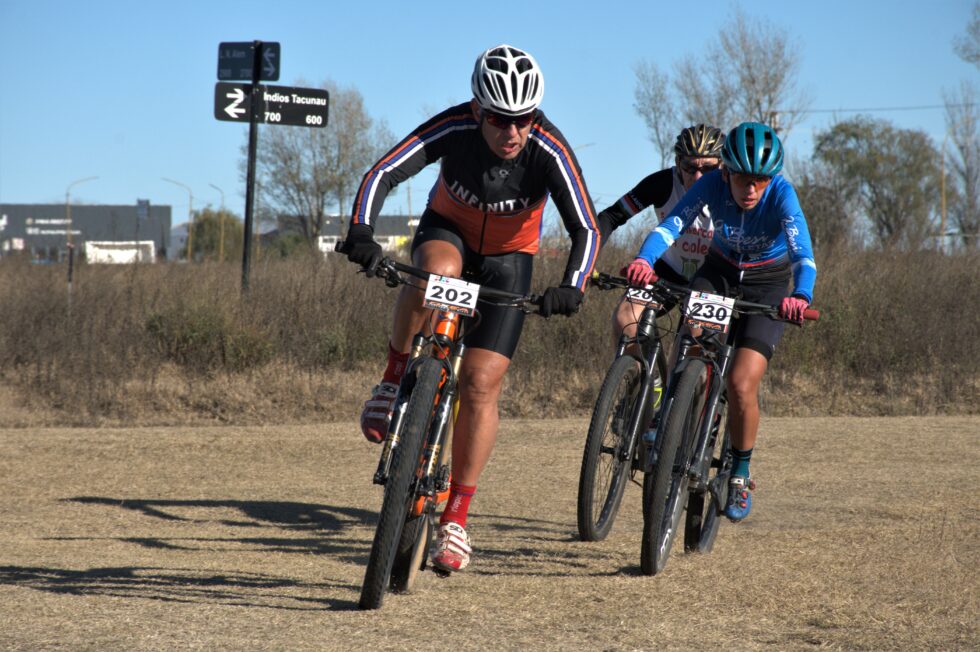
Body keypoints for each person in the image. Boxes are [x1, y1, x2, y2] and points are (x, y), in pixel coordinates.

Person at [340, 44, 600, 572]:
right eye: (502, 120)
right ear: (479, 110)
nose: (513, 133)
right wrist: (361, 231)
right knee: (438, 275)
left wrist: (572, 285)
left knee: (481, 383)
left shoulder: (547, 148)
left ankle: (455, 517)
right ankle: (394, 378)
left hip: (510, 258)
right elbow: (383, 172)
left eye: (524, 120)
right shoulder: (454, 127)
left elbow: (586, 227)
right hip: (449, 234)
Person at [624, 121, 816, 522]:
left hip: (768, 284)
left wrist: (800, 295)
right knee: (692, 336)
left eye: (760, 181)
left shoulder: (781, 194)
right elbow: (670, 225)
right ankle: (674, 412)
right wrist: (644, 258)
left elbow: (802, 254)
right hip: (721, 270)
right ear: (727, 171)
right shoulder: (711, 185)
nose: (751, 190)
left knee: (742, 382)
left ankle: (740, 471)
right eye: (744, 179)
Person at [597, 124, 725, 350]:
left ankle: (683, 384)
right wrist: (585, 262)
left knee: (693, 341)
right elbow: (610, 217)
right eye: (689, 166)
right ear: (678, 164)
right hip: (665, 271)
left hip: (711, 277)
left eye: (708, 168)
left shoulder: (732, 192)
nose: (698, 176)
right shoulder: (662, 184)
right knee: (625, 318)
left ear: (722, 166)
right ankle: (647, 381)